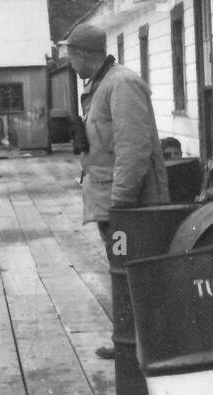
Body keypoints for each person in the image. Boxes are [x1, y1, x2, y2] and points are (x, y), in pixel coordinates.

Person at [66, 23, 169, 359]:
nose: (69, 62)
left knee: (135, 272)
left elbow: (134, 149)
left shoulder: (121, 84)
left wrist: (121, 205)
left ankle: (144, 348)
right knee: (122, 271)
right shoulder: (101, 85)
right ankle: (128, 342)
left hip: (128, 207)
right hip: (110, 203)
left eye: (70, 54)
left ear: (81, 54)